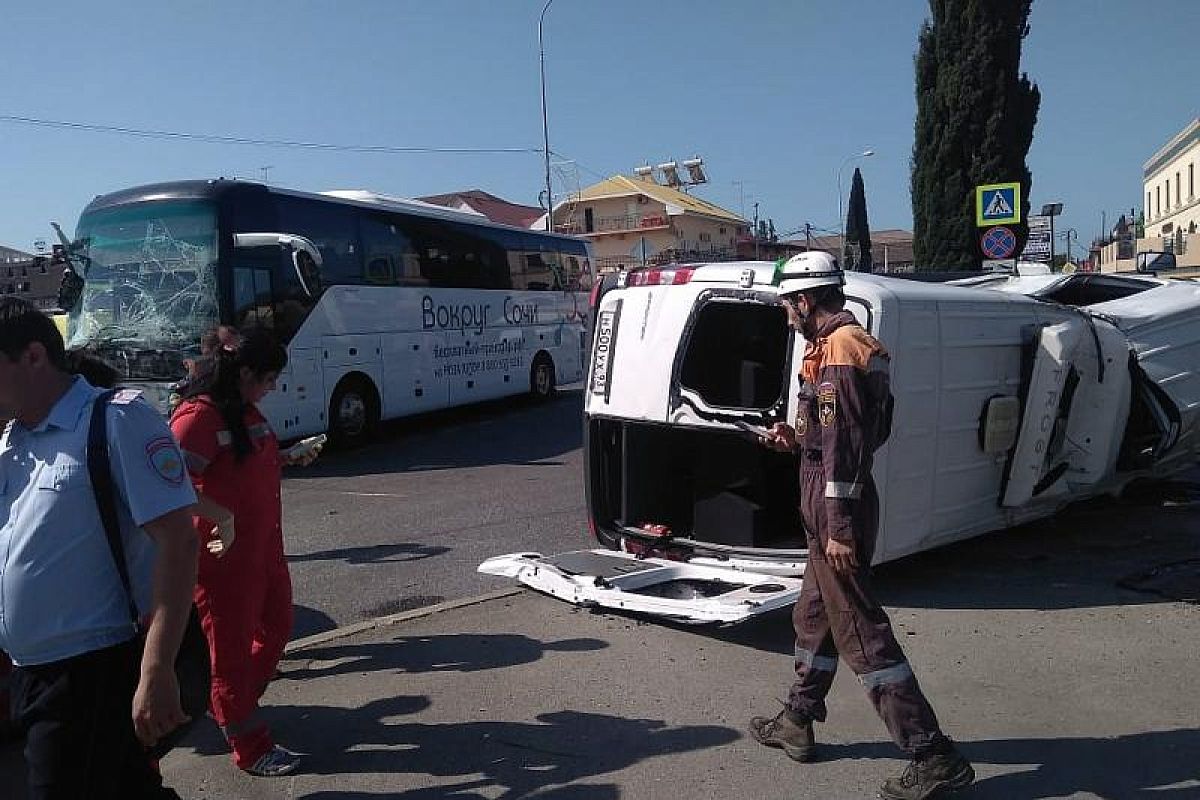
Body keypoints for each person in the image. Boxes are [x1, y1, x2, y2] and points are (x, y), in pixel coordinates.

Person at [748, 253, 974, 800]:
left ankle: (932, 754)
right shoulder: (832, 350)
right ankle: (797, 719)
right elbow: (837, 436)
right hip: (826, 506)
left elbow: (847, 450)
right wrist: (794, 439)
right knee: (814, 618)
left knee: (863, 636)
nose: (784, 316)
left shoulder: (842, 353)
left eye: (786, 305)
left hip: (835, 511)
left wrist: (839, 526)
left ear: (805, 300)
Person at [0, 297, 199, 799]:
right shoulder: (11, 440)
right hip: (26, 671)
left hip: (89, 670)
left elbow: (178, 541)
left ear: (33, 356)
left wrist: (157, 668)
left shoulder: (115, 420)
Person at [169, 326, 317, 777]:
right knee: (230, 652)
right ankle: (249, 744)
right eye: (269, 379)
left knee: (276, 627)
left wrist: (290, 456)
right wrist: (224, 518)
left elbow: (249, 464)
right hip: (223, 559)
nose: (272, 389)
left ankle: (230, 707)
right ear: (246, 371)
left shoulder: (245, 412)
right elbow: (165, 485)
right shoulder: (196, 418)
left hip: (263, 550)